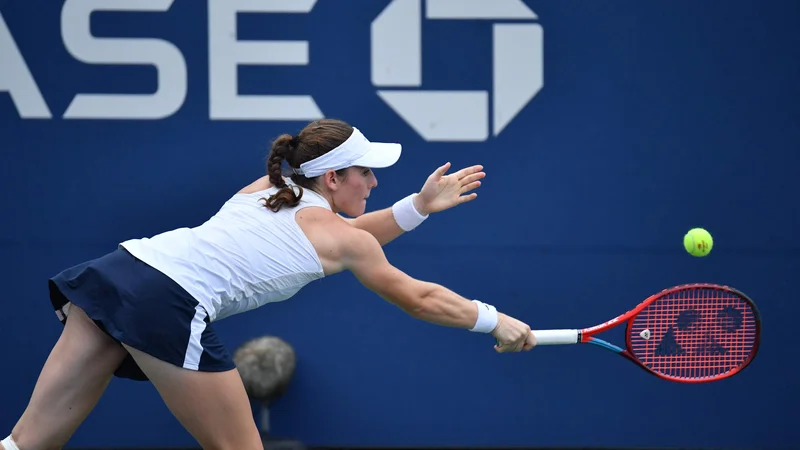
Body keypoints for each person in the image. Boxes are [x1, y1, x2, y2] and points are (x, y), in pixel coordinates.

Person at [1, 119, 537, 450]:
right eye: (365, 173)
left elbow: (345, 237)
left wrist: (417, 208)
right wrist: (497, 320)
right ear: (333, 179)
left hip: (120, 271)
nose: (374, 182)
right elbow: (416, 296)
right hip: (168, 302)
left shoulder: (272, 186)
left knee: (29, 442)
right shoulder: (338, 235)